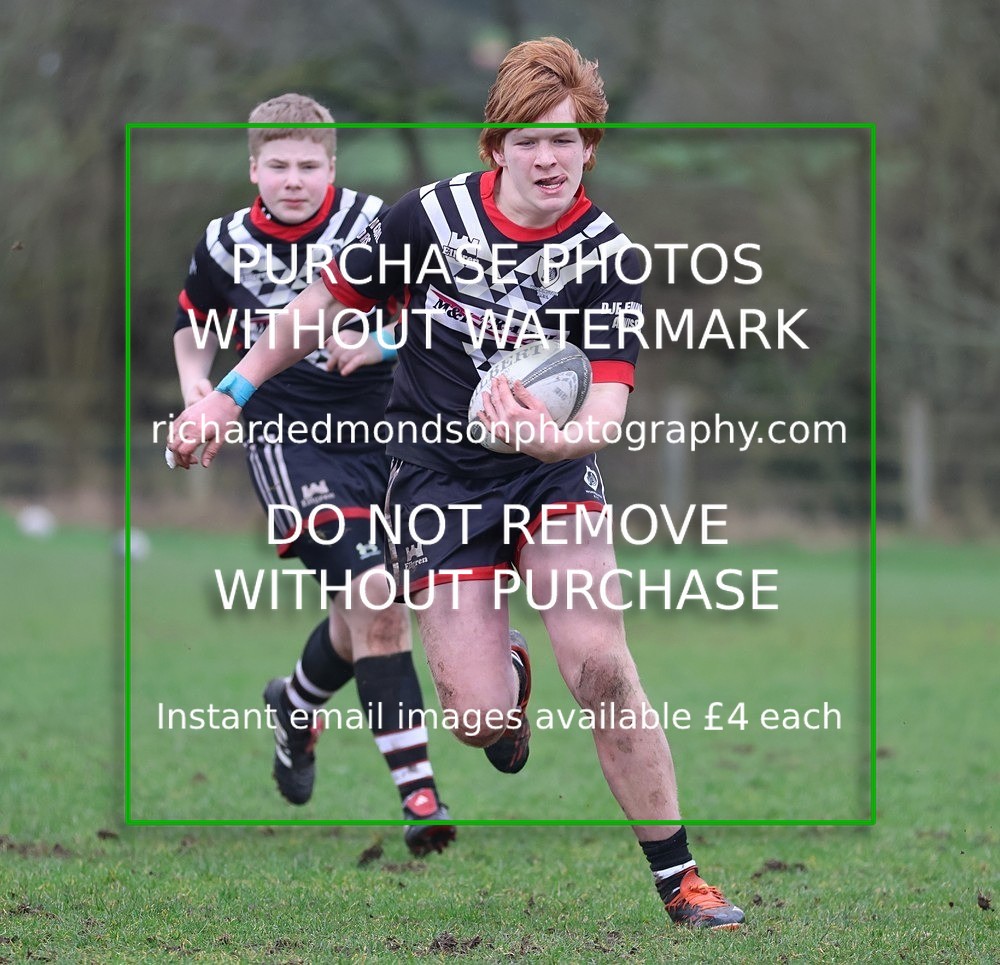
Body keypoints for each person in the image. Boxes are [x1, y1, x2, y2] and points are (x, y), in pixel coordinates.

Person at [169, 43, 745, 928]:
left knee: (601, 665)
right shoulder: (428, 219)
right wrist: (226, 396)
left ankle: (683, 881)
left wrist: (554, 440)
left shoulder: (606, 255)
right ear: (496, 145)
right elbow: (315, 309)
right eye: (527, 140)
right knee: (477, 720)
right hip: (437, 480)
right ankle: (504, 677)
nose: (547, 158)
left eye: (565, 139)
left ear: (590, 145)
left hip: (551, 473)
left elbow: (608, 407)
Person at [171, 93, 455, 856]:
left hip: (386, 426)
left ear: (332, 166)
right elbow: (195, 321)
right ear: (253, 168)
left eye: (308, 164)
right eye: (278, 165)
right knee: (375, 596)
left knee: (369, 606)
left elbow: (435, 309)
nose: (293, 179)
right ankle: (420, 796)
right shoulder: (224, 241)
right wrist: (197, 386)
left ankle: (294, 704)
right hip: (288, 432)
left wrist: (381, 342)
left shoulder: (373, 222)